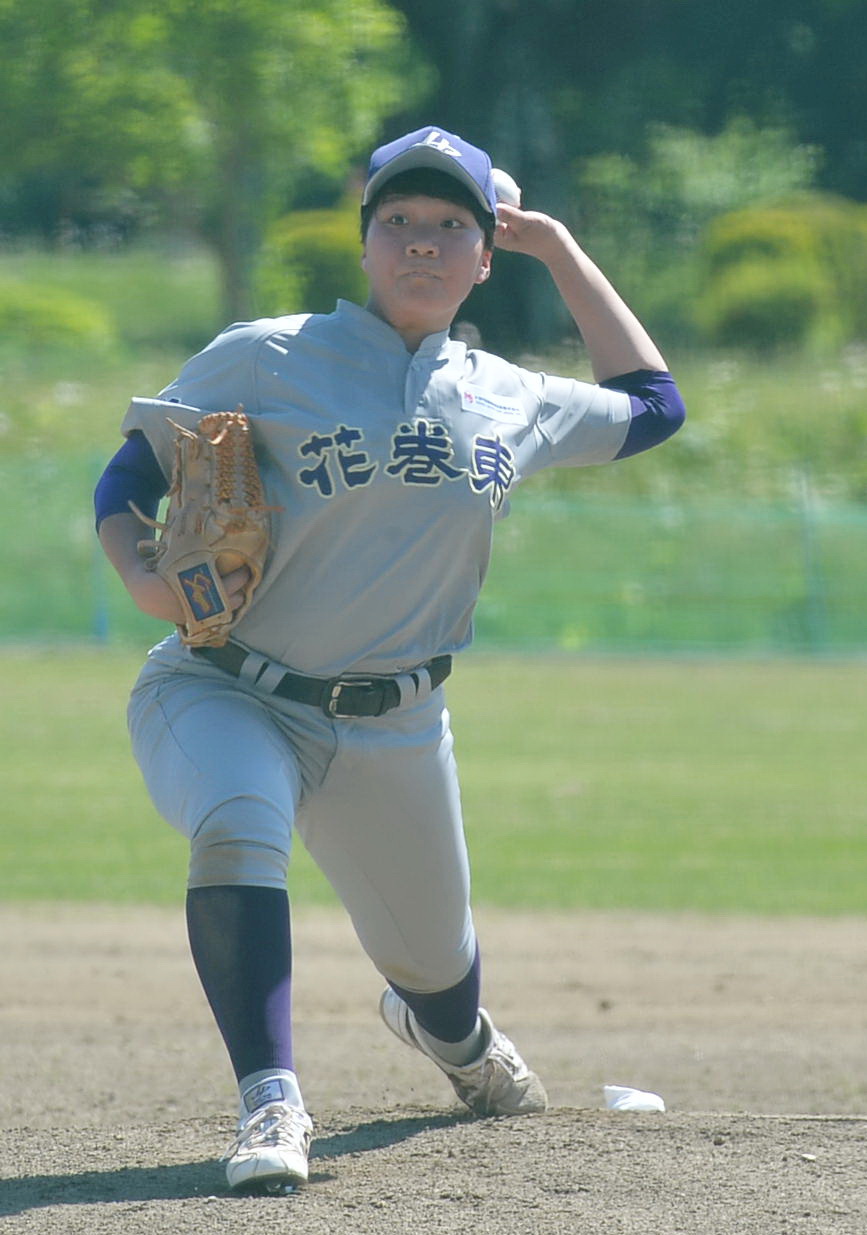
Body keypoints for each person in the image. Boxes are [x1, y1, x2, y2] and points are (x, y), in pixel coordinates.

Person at [94, 124, 685, 1194]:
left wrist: (557, 245)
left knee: (440, 981)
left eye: (451, 225)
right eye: (399, 223)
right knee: (236, 827)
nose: (422, 243)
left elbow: (656, 407)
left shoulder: (511, 394)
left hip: (398, 726)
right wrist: (146, 578)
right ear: (365, 245)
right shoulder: (264, 354)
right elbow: (121, 485)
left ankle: (454, 1039)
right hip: (230, 687)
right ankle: (271, 1096)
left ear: (483, 254)